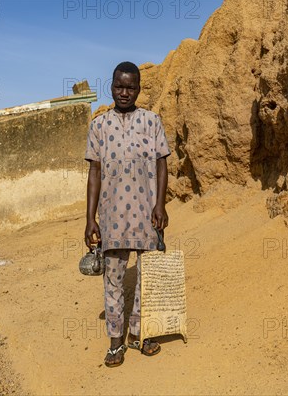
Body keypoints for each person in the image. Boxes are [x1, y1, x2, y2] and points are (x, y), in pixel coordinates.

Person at [84, 61, 171, 368]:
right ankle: (115, 342)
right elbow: (94, 172)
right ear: (111, 86)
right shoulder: (99, 126)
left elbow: (162, 164)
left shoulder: (152, 121)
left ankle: (139, 333)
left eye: (130, 87)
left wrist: (160, 204)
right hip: (112, 216)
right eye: (119, 86)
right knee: (113, 279)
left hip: (146, 213)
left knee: (147, 277)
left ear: (138, 88)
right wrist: (89, 218)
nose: (124, 92)